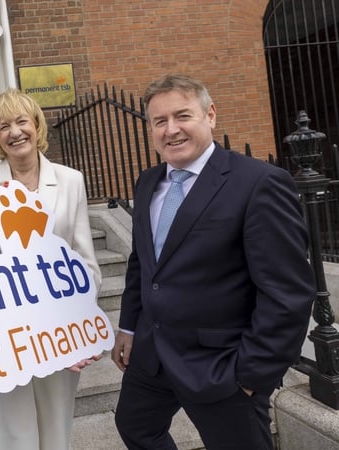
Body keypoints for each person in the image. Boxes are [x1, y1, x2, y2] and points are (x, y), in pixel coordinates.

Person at [111, 74, 316, 449]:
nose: (171, 130)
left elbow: (287, 293)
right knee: (135, 427)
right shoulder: (147, 183)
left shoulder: (258, 182)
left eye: (182, 116)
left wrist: (251, 375)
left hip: (220, 366)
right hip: (152, 356)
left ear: (211, 116)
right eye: (159, 121)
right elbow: (143, 263)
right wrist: (128, 327)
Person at [0, 88, 103, 450]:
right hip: (3, 329)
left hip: (56, 326)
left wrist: (82, 321)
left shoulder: (70, 180)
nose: (15, 132)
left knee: (56, 430)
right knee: (16, 433)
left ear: (36, 126)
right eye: (4, 126)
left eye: (22, 121)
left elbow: (85, 260)